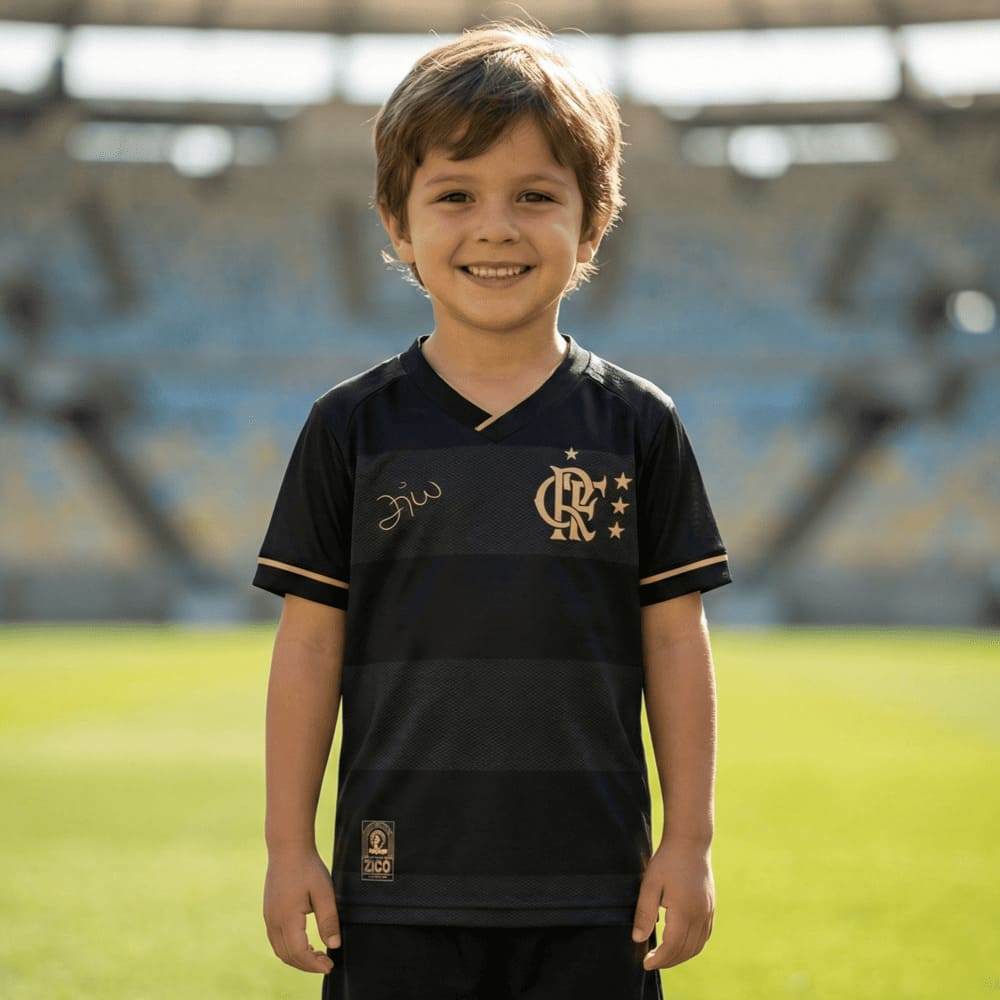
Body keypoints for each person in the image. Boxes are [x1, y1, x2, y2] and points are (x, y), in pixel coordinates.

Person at [252, 18, 732, 1000]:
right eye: (455, 195)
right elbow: (308, 646)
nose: (496, 227)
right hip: (392, 885)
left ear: (592, 224)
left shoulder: (638, 424)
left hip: (597, 889)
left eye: (535, 196)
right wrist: (287, 845)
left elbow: (675, 641)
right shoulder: (349, 427)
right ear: (398, 224)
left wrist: (689, 842)